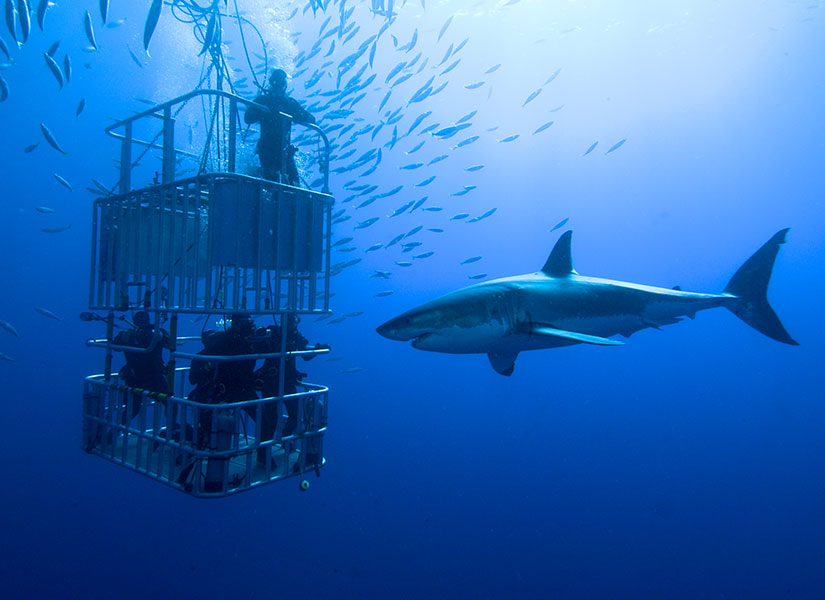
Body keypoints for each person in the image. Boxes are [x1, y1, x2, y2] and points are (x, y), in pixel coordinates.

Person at [254, 315, 328, 439]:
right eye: (291, 321)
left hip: (287, 380)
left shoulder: (295, 336)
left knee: (295, 415)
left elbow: (305, 354)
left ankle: (284, 442)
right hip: (271, 381)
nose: (293, 325)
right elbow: (260, 347)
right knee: (272, 419)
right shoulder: (274, 332)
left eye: (295, 321)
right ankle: (263, 452)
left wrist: (317, 350)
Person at [244, 68, 316, 185]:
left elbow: (311, 119)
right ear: (271, 83)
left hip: (284, 151)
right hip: (266, 149)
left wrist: (294, 115)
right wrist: (264, 110)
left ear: (284, 85)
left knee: (294, 185)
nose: (277, 86)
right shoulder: (263, 100)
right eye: (275, 82)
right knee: (269, 183)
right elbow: (248, 118)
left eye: (280, 83)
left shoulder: (289, 103)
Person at [113, 311, 170, 420]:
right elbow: (115, 346)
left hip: (151, 375)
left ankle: (172, 428)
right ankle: (113, 431)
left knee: (170, 403)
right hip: (138, 376)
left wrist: (162, 337)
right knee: (133, 409)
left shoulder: (156, 332)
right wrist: (122, 338)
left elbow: (171, 344)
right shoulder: (129, 334)